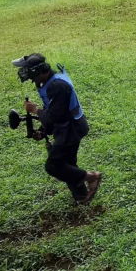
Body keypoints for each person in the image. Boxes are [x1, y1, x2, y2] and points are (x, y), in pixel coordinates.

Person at [14, 53, 102, 205]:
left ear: (37, 71)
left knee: (54, 165)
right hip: (67, 127)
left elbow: (54, 117)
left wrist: (35, 110)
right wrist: (42, 130)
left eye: (30, 74)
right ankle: (82, 198)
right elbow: (53, 110)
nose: (30, 78)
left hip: (71, 130)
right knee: (68, 165)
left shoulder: (58, 87)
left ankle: (91, 177)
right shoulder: (51, 83)